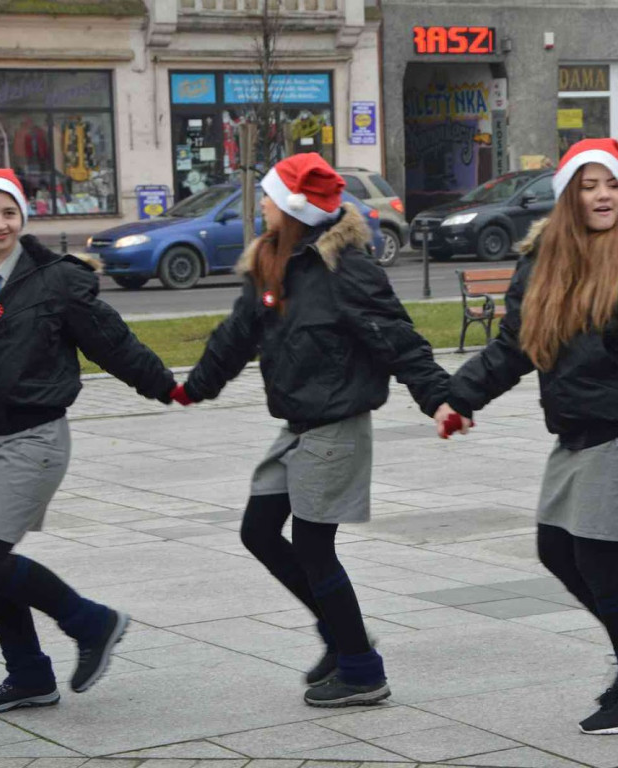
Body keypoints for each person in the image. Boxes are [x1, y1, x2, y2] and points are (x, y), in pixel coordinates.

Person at [435, 139, 618, 734]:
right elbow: (515, 344)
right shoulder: (545, 259)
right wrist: (460, 397)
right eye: (589, 186)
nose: (602, 196)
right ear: (568, 196)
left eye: (611, 185)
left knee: (596, 557)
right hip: (577, 429)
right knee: (554, 548)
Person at [171, 153, 449, 708]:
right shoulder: (273, 262)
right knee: (258, 529)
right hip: (299, 422)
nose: (263, 205)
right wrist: (192, 386)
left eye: (270, 197)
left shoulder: (344, 268)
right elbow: (235, 336)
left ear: (292, 208)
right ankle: (343, 639)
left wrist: (440, 398)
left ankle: (363, 670)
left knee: (314, 546)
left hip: (338, 421)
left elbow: (397, 337)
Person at [0, 169, 175, 714]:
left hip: (37, 436)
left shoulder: (55, 279)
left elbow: (111, 341)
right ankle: (29, 675)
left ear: (22, 218)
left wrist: (168, 385)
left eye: (8, 212)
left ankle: (92, 623)